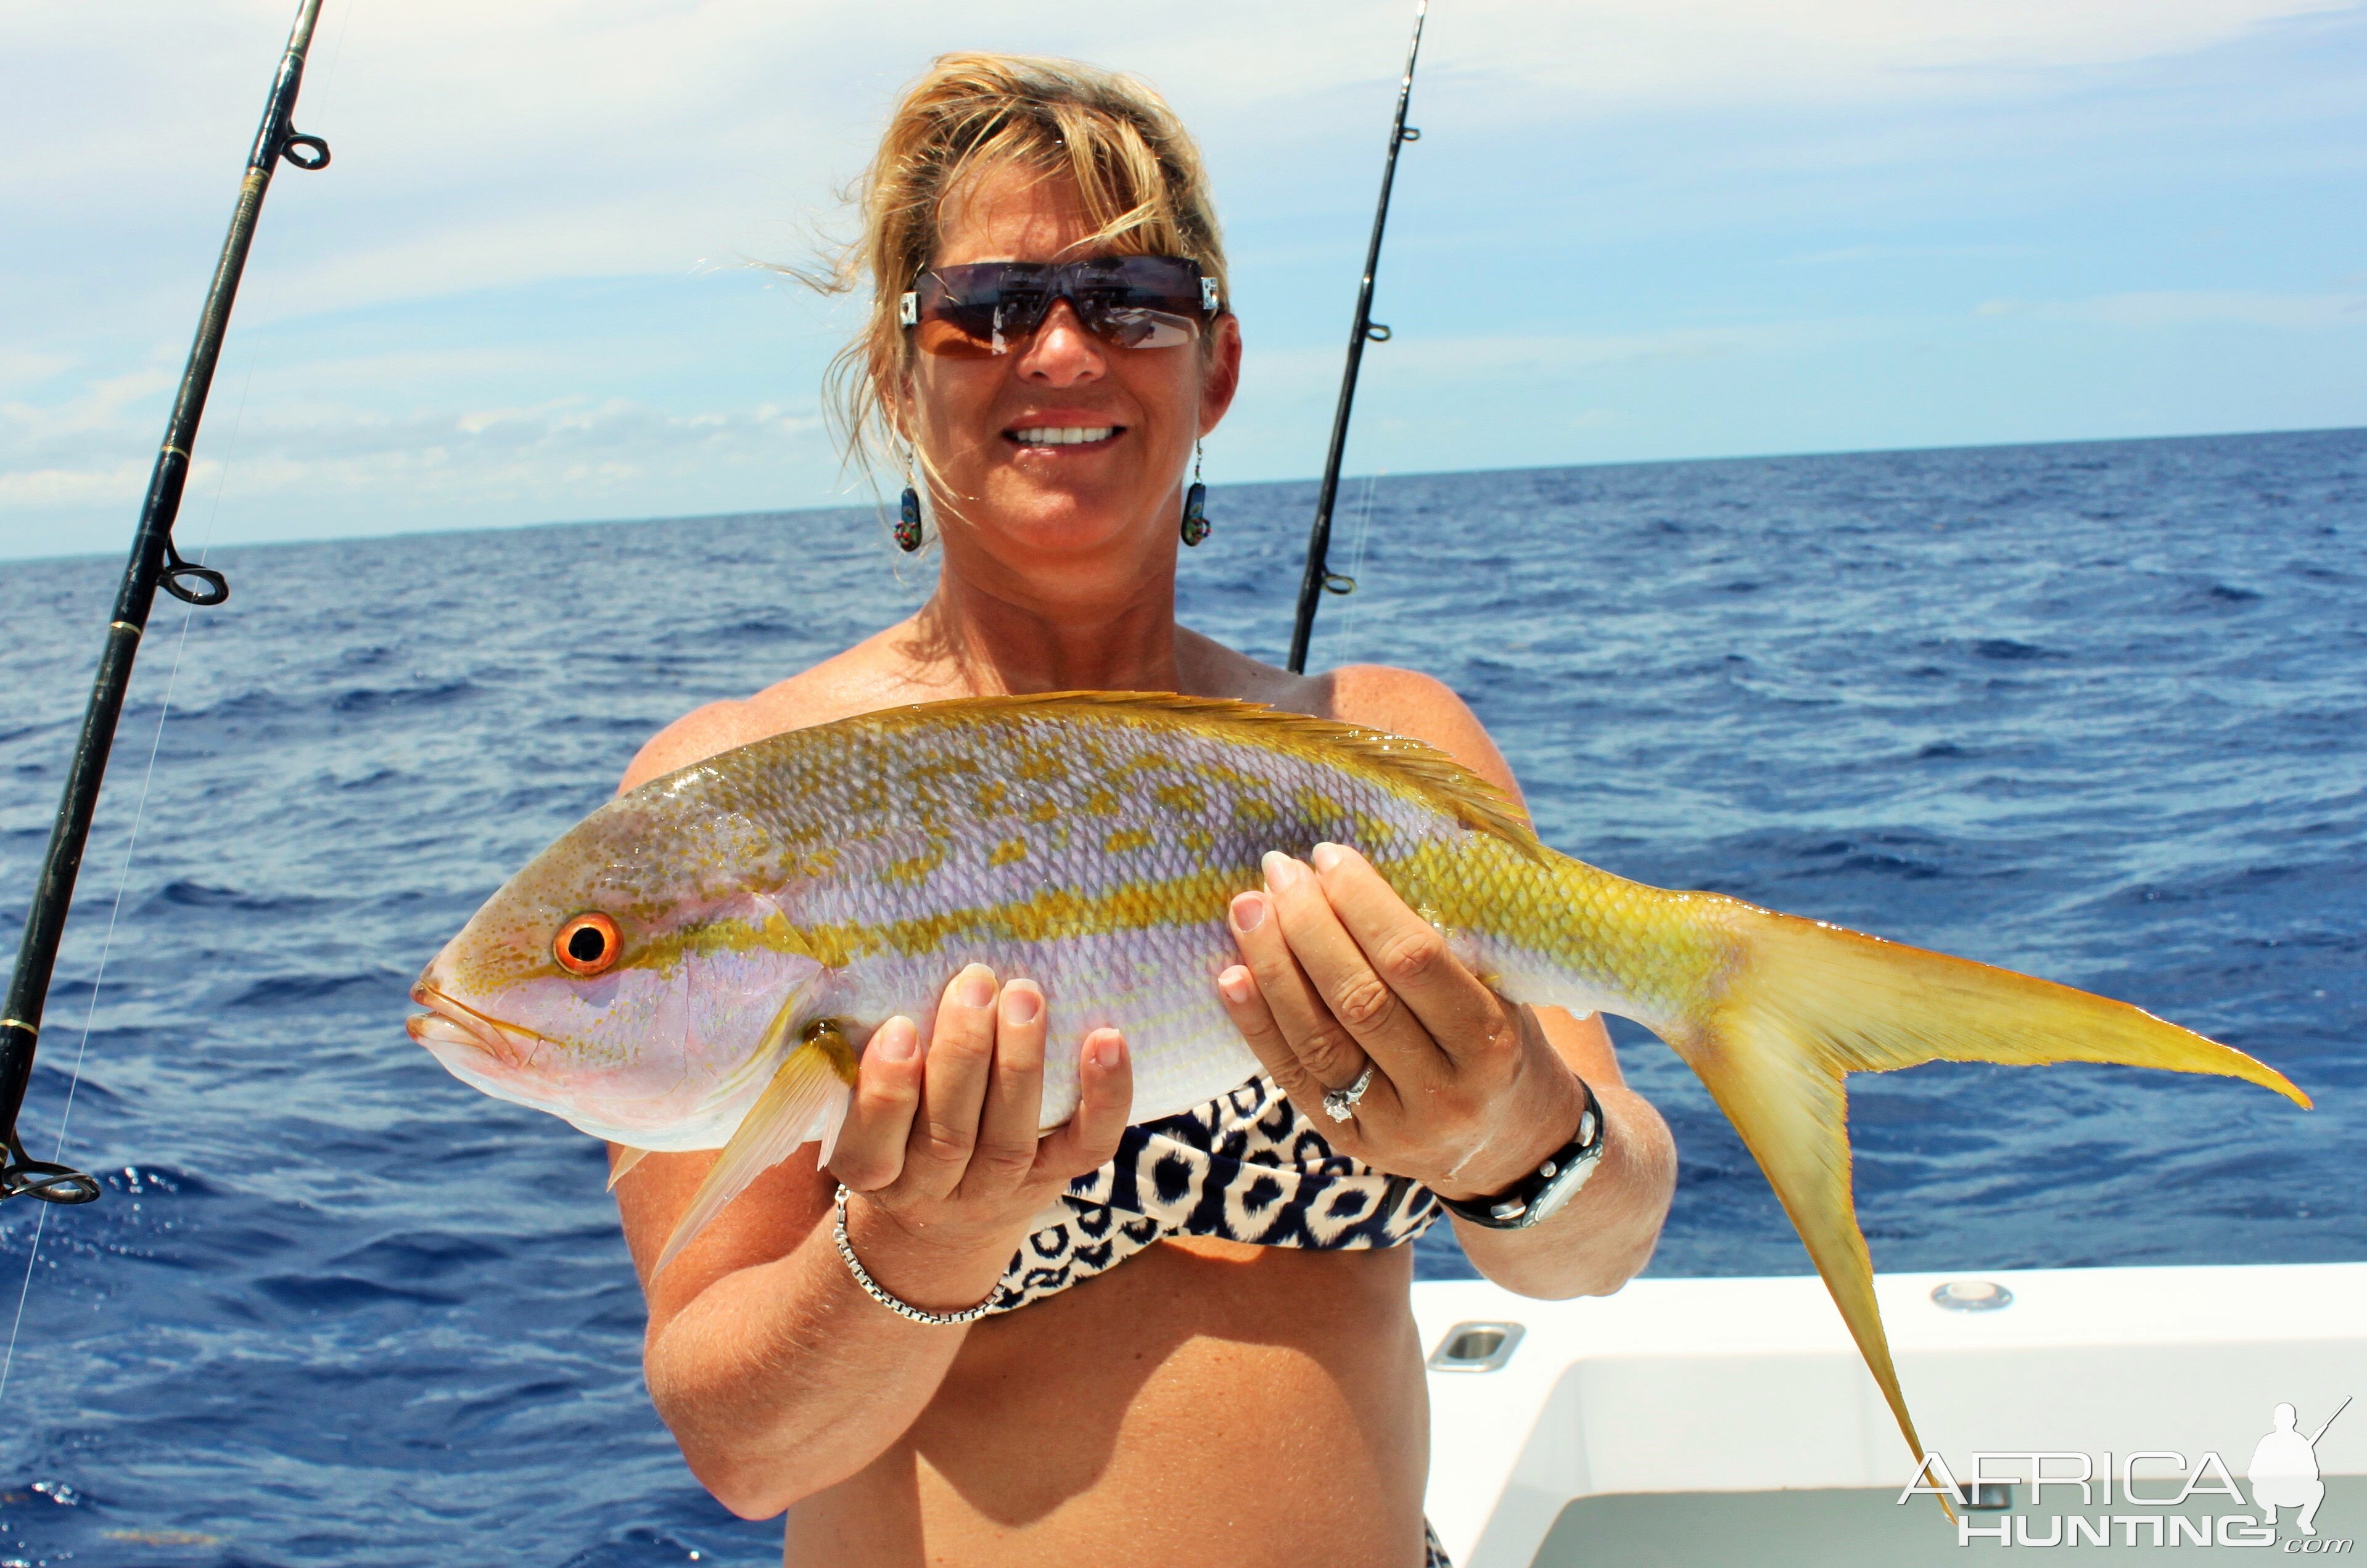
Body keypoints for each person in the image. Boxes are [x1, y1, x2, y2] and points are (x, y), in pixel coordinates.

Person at [609, 53, 1677, 1568]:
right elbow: (744, 1443)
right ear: (901, 370)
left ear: (1214, 369)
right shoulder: (747, 802)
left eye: (1129, 303)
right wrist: (914, 1243)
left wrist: (1509, 1127)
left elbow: (1599, 1245)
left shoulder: (1375, 750)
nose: (1057, 351)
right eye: (985, 307)